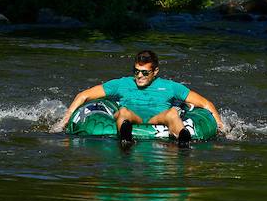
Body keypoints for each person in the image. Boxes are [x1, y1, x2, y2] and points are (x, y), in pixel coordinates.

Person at [54, 50, 224, 145]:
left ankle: (183, 139)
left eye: (144, 72)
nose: (139, 76)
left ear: (155, 72)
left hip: (158, 119)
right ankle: (126, 138)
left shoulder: (171, 87)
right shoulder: (121, 83)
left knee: (172, 113)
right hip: (132, 117)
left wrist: (220, 126)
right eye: (136, 71)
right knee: (123, 112)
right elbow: (83, 95)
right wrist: (64, 121)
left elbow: (206, 104)